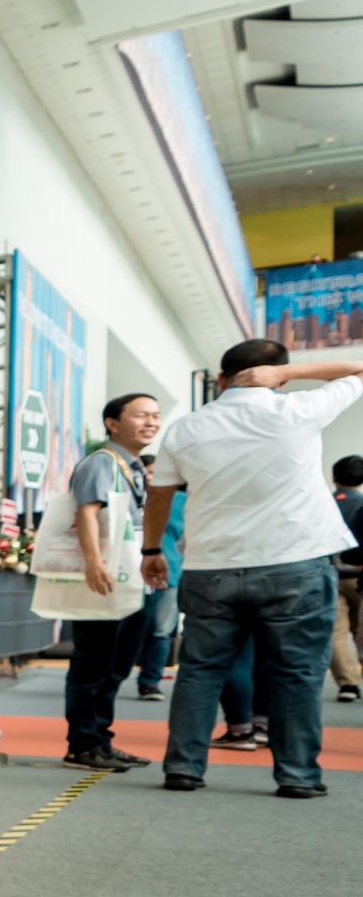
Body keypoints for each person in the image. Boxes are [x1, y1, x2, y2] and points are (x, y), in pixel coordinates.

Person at [141, 341, 363, 797]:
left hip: (211, 567)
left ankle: (183, 768)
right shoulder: (299, 409)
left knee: (200, 670)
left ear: (221, 379)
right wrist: (290, 375)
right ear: (277, 375)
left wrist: (151, 550)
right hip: (295, 563)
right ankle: (297, 776)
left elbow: (160, 495)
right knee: (297, 673)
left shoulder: (185, 428)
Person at [59, 391, 159, 771]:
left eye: (155, 415)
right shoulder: (103, 462)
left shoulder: (134, 466)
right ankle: (83, 744)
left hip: (128, 575)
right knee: (94, 662)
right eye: (141, 415)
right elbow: (86, 512)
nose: (151, 422)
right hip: (105, 575)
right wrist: (93, 562)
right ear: (112, 423)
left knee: (116, 664)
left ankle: (100, 739)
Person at [131, 454, 183, 699]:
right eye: (148, 472)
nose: (152, 478)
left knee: (161, 631)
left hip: (168, 574)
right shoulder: (130, 496)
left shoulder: (181, 501)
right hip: (129, 572)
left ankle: (150, 681)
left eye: (157, 473)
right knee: (128, 629)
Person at [334, 454, 363, 702]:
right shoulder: (362, 503)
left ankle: (348, 684)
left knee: (338, 631)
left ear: (334, 478)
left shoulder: (325, 504)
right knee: (359, 629)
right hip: (360, 575)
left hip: (331, 574)